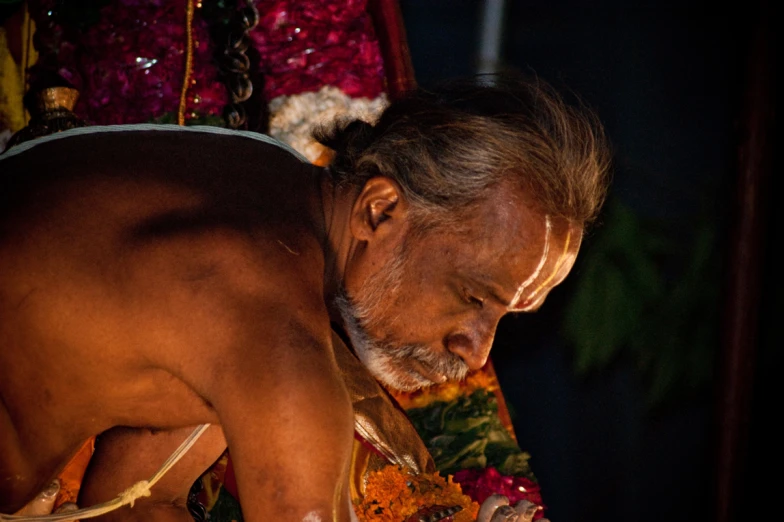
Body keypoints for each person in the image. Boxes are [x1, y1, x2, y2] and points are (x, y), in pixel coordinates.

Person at [0, 74, 611, 522]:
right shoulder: (270, 326)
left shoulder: (262, 174)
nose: (476, 353)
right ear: (382, 210)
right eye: (473, 296)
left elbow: (131, 502)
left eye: (507, 315)